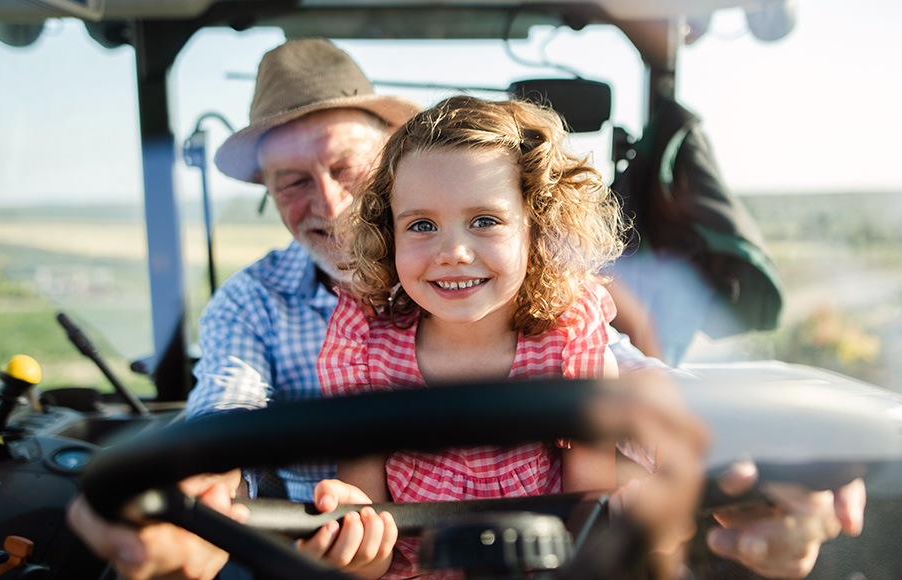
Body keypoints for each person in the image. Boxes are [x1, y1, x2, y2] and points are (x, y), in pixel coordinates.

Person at [66, 38, 865, 580]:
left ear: (388, 169)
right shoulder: (262, 304)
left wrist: (778, 445)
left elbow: (631, 381)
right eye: (293, 184)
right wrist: (183, 497)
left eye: (347, 169)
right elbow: (222, 417)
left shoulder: (551, 310)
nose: (332, 204)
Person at [304, 94, 691, 579]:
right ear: (390, 234)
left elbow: (586, 518)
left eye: (484, 221)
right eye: (421, 225)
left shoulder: (569, 350)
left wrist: (627, 518)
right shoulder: (365, 356)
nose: (454, 252)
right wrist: (354, 537)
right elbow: (373, 559)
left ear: (535, 226)